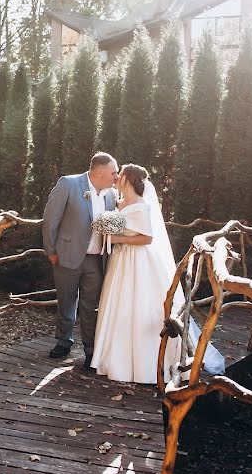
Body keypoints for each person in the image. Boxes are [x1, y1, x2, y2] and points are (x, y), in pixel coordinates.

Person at [89, 163, 225, 383]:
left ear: (129, 179)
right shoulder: (118, 202)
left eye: (120, 174)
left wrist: (115, 239)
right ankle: (114, 358)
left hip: (137, 262)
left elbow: (147, 238)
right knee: (119, 306)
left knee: (139, 306)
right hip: (120, 261)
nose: (116, 177)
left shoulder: (141, 206)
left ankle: (145, 364)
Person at [42, 152, 118, 370]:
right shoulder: (69, 184)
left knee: (90, 306)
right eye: (113, 171)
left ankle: (90, 350)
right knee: (66, 300)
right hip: (66, 254)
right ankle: (63, 341)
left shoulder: (112, 195)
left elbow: (114, 229)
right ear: (100, 171)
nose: (116, 176)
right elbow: (50, 220)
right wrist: (51, 251)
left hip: (96, 260)